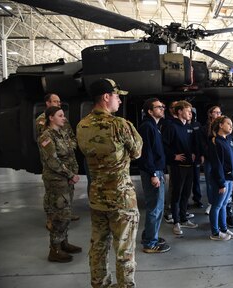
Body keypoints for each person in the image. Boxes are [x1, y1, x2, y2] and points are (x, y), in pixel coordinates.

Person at [76, 78, 143, 288]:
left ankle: (100, 283)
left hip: (97, 197)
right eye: (117, 96)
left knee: (98, 246)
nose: (120, 101)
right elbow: (137, 152)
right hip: (121, 199)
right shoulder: (120, 125)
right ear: (106, 97)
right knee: (124, 249)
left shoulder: (82, 125)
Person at [38, 106, 81, 263]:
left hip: (66, 179)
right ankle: (54, 249)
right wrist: (70, 174)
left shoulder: (62, 134)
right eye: (60, 115)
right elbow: (52, 161)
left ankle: (63, 242)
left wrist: (72, 174)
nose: (64, 118)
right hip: (56, 180)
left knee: (66, 213)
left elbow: (71, 155)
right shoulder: (46, 137)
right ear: (51, 118)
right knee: (59, 214)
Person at [36, 92, 80, 221]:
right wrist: (62, 148)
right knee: (55, 197)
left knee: (68, 192)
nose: (58, 103)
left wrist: (69, 146)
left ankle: (66, 213)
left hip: (68, 164)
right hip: (56, 166)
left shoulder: (61, 119)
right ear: (48, 103)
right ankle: (53, 219)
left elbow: (71, 136)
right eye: (55, 101)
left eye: (59, 102)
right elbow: (48, 147)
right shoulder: (42, 121)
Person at [138, 98, 170, 253]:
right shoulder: (147, 127)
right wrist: (153, 174)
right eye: (159, 107)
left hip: (157, 170)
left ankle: (149, 236)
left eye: (162, 106)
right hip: (153, 171)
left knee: (155, 207)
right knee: (155, 208)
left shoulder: (154, 126)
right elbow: (146, 153)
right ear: (150, 111)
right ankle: (150, 243)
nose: (162, 109)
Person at [162, 100, 199, 236]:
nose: (190, 113)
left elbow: (193, 144)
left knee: (186, 194)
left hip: (189, 166)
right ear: (179, 111)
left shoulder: (188, 127)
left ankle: (183, 218)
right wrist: (173, 156)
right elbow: (163, 145)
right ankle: (176, 221)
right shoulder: (171, 126)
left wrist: (195, 153)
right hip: (178, 166)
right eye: (188, 111)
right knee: (176, 194)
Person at [208, 116, 233, 240]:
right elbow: (217, 164)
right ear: (221, 125)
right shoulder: (215, 142)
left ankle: (223, 229)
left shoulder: (229, 140)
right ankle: (215, 233)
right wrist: (221, 183)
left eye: (232, 124)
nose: (231, 126)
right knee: (217, 205)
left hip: (230, 178)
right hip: (221, 180)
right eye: (228, 123)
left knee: (223, 205)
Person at [198, 105, 222, 215]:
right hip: (209, 159)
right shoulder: (204, 128)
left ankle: (220, 203)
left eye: (219, 112)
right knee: (209, 182)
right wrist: (209, 154)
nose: (218, 114)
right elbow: (203, 145)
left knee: (221, 181)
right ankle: (211, 203)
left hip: (221, 159)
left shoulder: (222, 126)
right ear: (210, 114)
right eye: (216, 112)